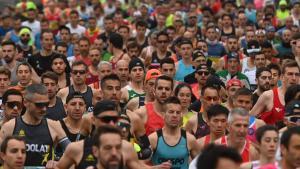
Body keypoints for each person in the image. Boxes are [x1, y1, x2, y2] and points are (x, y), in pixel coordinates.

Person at [56, 100, 170, 169]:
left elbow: (138, 167)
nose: (111, 123)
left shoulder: (126, 147)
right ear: (93, 120)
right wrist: (52, 164)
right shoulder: (76, 148)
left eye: (114, 119)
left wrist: (158, 167)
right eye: (106, 119)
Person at [0, 84, 70, 167]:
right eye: (39, 105)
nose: (44, 109)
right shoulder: (10, 126)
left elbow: (72, 153)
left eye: (46, 104)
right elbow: (1, 156)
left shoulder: (54, 125)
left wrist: (58, 163)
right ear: (25, 103)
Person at [149, 96, 200, 168]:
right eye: (171, 112)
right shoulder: (153, 139)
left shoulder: (190, 139)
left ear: (181, 115)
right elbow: (139, 165)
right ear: (163, 115)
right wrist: (155, 168)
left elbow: (201, 165)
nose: (175, 115)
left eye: (178, 112)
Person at [250, 60, 300, 126]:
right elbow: (249, 119)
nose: (294, 78)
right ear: (282, 77)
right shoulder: (268, 95)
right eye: (290, 74)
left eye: (297, 74)